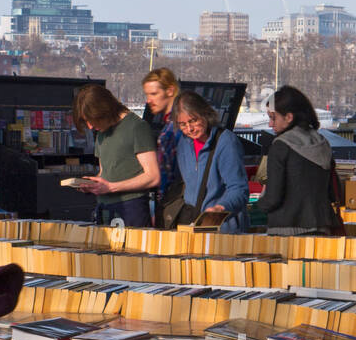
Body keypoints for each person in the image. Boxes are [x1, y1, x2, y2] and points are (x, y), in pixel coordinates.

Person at [71, 83, 159, 229]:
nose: (91, 126)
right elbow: (105, 172)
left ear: (105, 110)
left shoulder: (137, 127)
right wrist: (92, 185)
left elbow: (153, 176)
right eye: (86, 122)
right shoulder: (101, 133)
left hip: (131, 208)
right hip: (105, 209)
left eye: (92, 120)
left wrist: (111, 187)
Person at [256, 86, 340, 236]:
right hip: (321, 227)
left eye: (273, 117)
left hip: (286, 230)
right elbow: (334, 192)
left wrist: (260, 203)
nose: (270, 124)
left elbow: (273, 198)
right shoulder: (322, 142)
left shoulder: (281, 145)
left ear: (288, 117)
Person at [170, 92, 249, 233]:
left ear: (205, 113)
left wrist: (220, 208)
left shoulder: (226, 142)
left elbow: (239, 190)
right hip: (194, 225)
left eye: (193, 121)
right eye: (182, 124)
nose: (189, 129)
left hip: (224, 228)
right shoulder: (183, 142)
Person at [141, 67, 180, 223]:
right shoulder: (172, 125)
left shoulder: (173, 128)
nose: (148, 100)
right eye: (147, 94)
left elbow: (167, 175)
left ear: (170, 90)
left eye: (154, 94)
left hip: (174, 204)